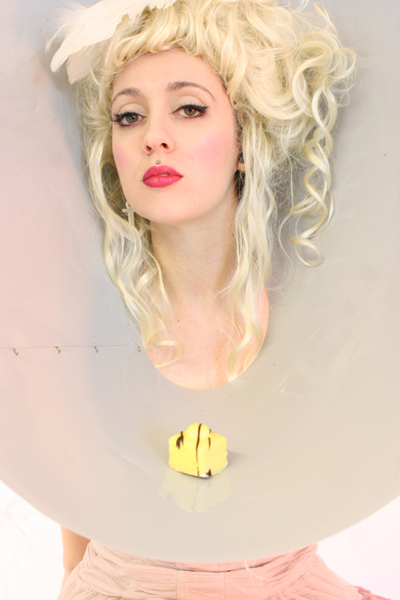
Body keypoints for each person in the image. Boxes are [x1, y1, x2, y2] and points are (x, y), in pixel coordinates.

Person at [48, 0, 389, 598]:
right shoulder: (76, 321)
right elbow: (68, 492)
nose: (154, 137)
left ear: (243, 140)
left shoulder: (314, 310)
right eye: (129, 116)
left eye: (189, 108)